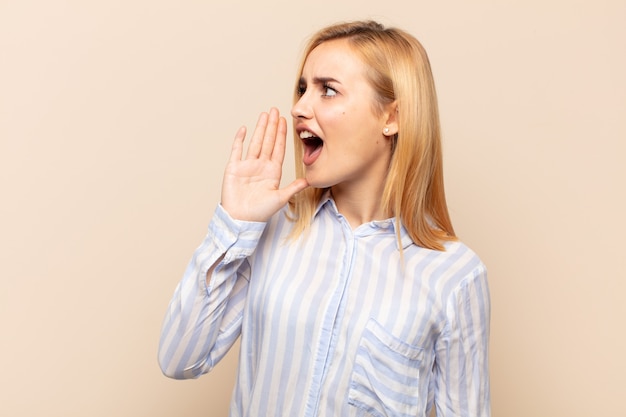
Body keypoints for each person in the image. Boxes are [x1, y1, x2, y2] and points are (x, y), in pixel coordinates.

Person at [158, 20, 490, 417]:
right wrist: (233, 225)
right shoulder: (270, 233)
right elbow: (178, 358)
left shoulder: (455, 275)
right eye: (302, 88)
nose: (299, 107)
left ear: (392, 116)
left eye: (327, 90)